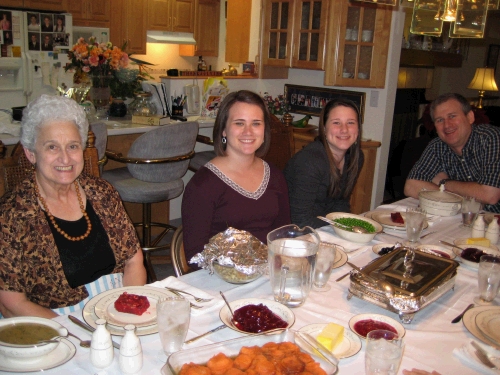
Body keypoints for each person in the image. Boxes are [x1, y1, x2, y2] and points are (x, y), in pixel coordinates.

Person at [0, 95, 146, 318]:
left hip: (118, 308)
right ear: (31, 153)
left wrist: (127, 312)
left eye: (73, 146)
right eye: (52, 147)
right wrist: (74, 331)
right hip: (55, 324)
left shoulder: (102, 193)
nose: (65, 158)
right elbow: (12, 303)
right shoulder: (12, 215)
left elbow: (134, 261)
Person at [182, 90, 291, 263]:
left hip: (269, 275)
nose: (248, 132)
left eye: (256, 123)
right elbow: (195, 256)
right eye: (239, 123)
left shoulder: (275, 176)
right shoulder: (203, 185)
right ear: (224, 130)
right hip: (223, 281)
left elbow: (284, 235)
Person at [404, 92, 500, 213]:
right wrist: (454, 197)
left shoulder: (491, 138)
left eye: (452, 116)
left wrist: (443, 183)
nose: (447, 125)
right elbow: (411, 186)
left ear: (470, 117)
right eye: (440, 120)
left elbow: (490, 195)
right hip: (469, 218)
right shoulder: (437, 146)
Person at [284, 98, 364, 228]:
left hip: (323, 229)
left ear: (358, 128)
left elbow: (341, 203)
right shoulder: (310, 162)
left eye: (350, 122)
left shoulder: (356, 157)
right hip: (295, 235)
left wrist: (349, 229)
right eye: (336, 123)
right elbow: (299, 222)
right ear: (324, 128)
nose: (344, 129)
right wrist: (339, 227)